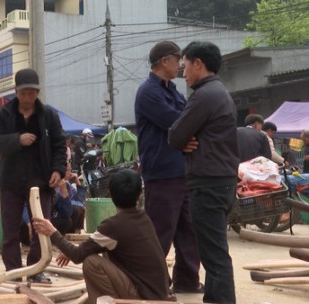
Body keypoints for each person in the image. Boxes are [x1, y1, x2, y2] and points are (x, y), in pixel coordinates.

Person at [168, 41, 239, 304]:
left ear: (198, 63)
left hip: (209, 183)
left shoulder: (205, 95)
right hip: (221, 181)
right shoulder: (218, 92)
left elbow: (175, 135)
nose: (183, 72)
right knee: (213, 253)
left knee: (214, 256)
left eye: (185, 64)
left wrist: (181, 140)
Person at [33, 169, 171, 303]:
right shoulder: (143, 218)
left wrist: (52, 231)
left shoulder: (114, 226)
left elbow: (77, 256)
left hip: (145, 296)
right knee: (103, 250)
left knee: (92, 263)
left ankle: (110, 302)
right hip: (159, 292)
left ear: (110, 194)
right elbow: (93, 244)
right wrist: (76, 249)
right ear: (139, 195)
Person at [134, 40, 202, 294]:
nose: (181, 66)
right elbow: (176, 122)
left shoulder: (173, 91)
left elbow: (187, 118)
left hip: (182, 169)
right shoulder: (148, 92)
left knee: (188, 230)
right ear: (165, 61)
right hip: (162, 172)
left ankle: (186, 279)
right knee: (160, 231)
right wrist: (187, 132)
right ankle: (153, 283)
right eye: (178, 60)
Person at [0, 68, 67, 284]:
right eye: (23, 93)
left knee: (41, 229)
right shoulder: (4, 114)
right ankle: (13, 272)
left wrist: (58, 170)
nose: (27, 98)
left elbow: (60, 145)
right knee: (10, 230)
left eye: (32, 93)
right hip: (11, 181)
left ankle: (35, 270)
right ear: (16, 92)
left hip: (41, 181)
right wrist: (17, 139)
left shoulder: (48, 115)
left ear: (37, 92)